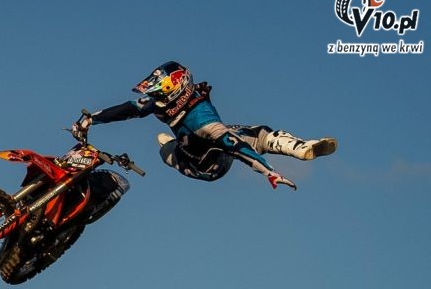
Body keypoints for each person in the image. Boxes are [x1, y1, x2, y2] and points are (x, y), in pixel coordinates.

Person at [74, 61, 336, 191]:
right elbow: (129, 109)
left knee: (232, 137)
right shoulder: (173, 104)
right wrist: (92, 119)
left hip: (200, 164)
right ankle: (299, 147)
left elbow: (235, 146)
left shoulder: (201, 119)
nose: (157, 98)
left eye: (162, 92)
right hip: (204, 158)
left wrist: (268, 171)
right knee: (253, 134)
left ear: (176, 91)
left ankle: (301, 149)